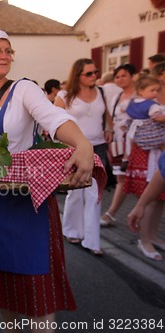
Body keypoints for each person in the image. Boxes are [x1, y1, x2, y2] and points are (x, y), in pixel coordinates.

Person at [0, 29, 94, 333]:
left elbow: (53, 118)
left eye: (8, 50)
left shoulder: (22, 89)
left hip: (24, 199)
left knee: (38, 293)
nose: (4, 56)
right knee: (4, 292)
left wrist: (83, 144)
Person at [55, 58, 111, 256]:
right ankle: (71, 230)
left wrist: (109, 128)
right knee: (75, 192)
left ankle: (92, 241)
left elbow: (106, 115)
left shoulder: (101, 92)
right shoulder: (63, 95)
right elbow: (54, 123)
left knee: (95, 194)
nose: (94, 76)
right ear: (77, 75)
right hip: (74, 150)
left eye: (95, 72)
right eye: (88, 73)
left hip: (98, 148)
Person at [124, 62, 165, 261]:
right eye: (153, 89)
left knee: (159, 201)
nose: (156, 92)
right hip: (151, 153)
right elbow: (157, 119)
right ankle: (145, 239)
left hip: (152, 152)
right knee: (150, 198)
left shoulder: (138, 102)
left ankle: (153, 235)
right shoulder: (151, 105)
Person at [100, 63, 137, 227]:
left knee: (140, 180)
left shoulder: (141, 95)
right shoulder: (116, 97)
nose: (120, 79)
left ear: (132, 76)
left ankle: (117, 213)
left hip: (137, 144)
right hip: (119, 144)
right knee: (121, 178)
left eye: (124, 75)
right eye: (117, 76)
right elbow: (111, 119)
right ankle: (112, 213)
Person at [127, 150, 165, 261]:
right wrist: (141, 205)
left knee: (160, 200)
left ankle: (152, 237)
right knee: (153, 202)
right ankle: (145, 240)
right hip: (148, 156)